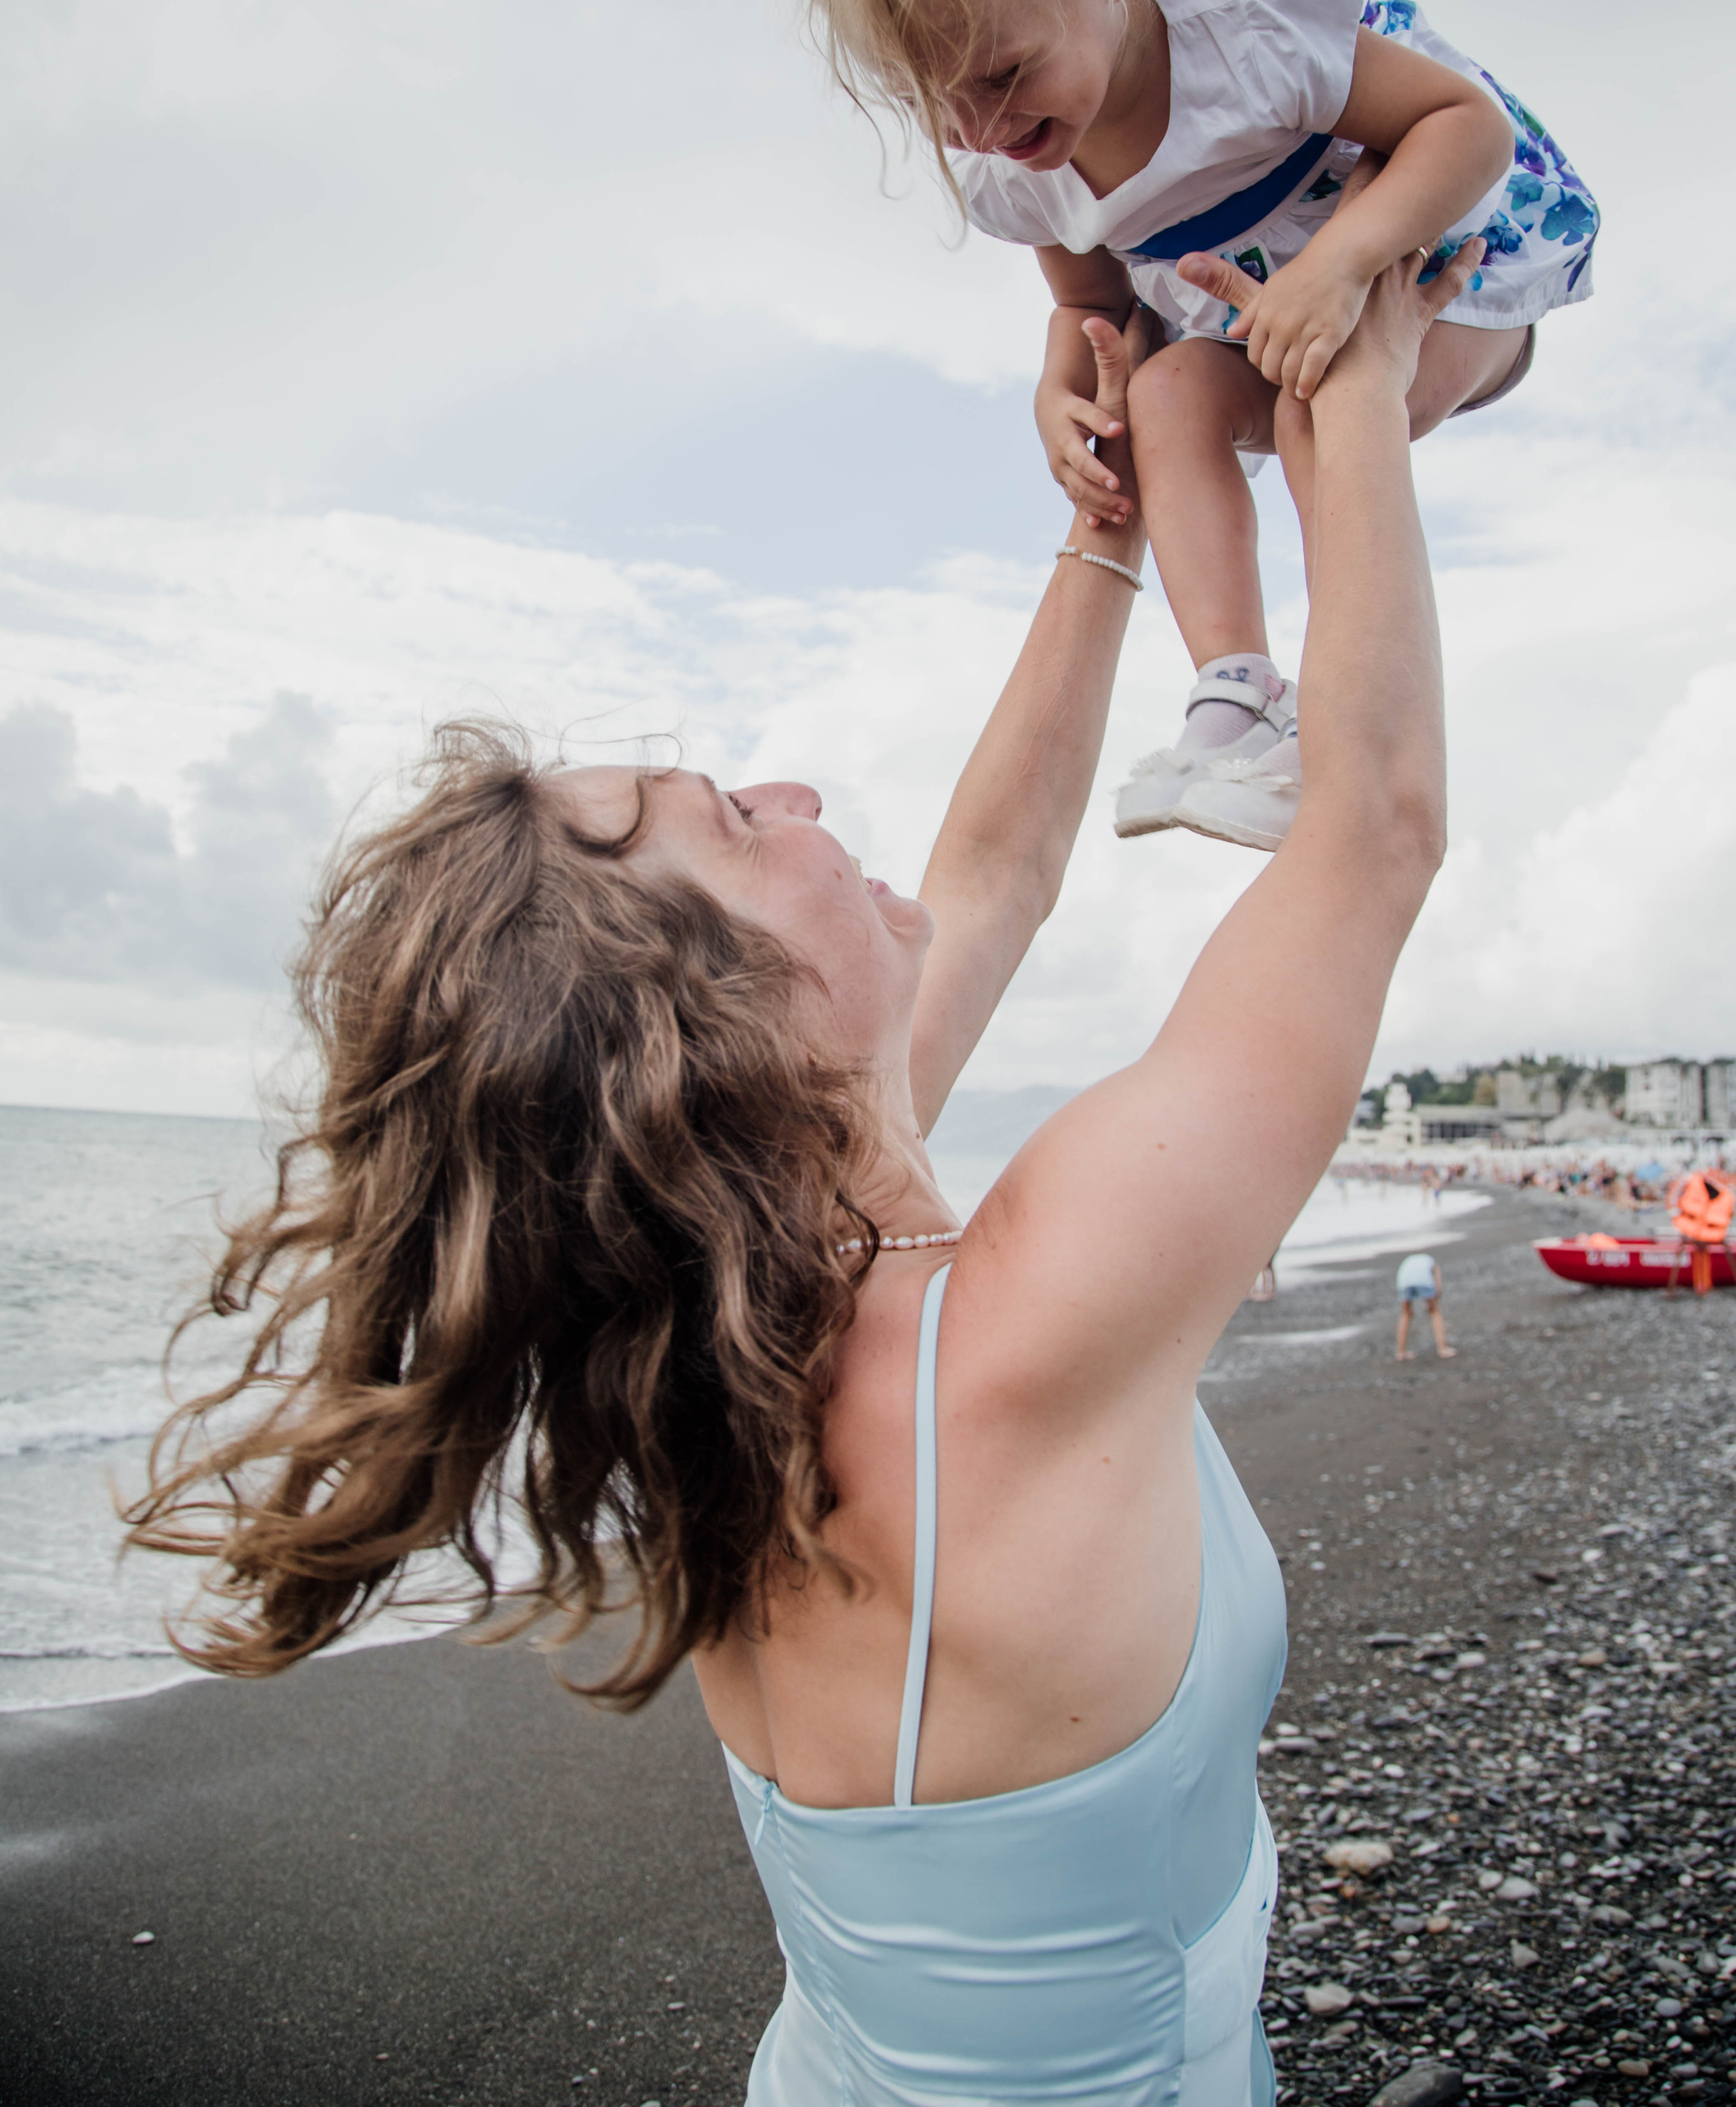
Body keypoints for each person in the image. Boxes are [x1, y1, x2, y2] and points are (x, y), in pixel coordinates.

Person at [127, 243, 1476, 2107]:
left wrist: (1101, 533)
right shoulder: (1008, 1338)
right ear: (721, 1018)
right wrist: (1362, 375)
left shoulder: (745, 1323)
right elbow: (1375, 827)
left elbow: (995, 868)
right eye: (740, 821)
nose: (811, 803)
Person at [805, 0, 1598, 852]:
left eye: (1003, 76)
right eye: (934, 103)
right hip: (1263, 318)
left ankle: (1346, 706)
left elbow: (1466, 128)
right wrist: (1059, 390)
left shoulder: (1251, 39)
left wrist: (1339, 269)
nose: (981, 132)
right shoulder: (1012, 170)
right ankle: (1240, 692)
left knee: (1322, 396)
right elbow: (1088, 301)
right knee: (1172, 390)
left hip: (1455, 267)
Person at [1394, 1250, 1456, 1360]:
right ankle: (1443, 1349)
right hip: (1424, 1281)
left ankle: (1401, 1352)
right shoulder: (1431, 1262)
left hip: (1404, 1281)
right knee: (1435, 1313)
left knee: (1406, 1314)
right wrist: (1433, 1302)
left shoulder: (1409, 1260)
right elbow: (1438, 1286)